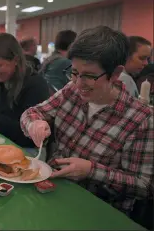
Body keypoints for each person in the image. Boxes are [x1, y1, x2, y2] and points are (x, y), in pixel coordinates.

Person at [21, 26, 154, 215]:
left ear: (116, 74)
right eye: (75, 72)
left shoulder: (140, 119)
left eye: (89, 76)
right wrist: (34, 123)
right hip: (51, 193)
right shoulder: (71, 90)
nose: (78, 83)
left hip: (98, 211)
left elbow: (144, 185)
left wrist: (91, 170)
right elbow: (33, 112)